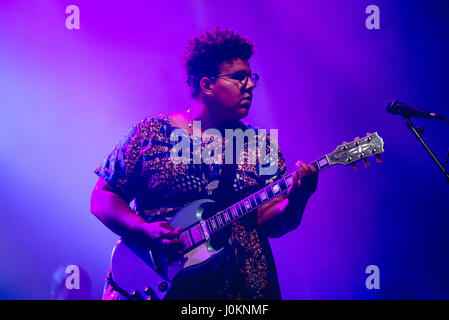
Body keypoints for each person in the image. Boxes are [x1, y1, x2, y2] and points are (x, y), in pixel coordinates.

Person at [90, 26, 318, 300]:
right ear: (207, 85)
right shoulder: (150, 132)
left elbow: (271, 224)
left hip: (240, 292)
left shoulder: (261, 144)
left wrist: (298, 199)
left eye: (251, 77)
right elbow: (103, 196)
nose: (251, 85)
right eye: (238, 77)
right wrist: (144, 229)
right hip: (157, 287)